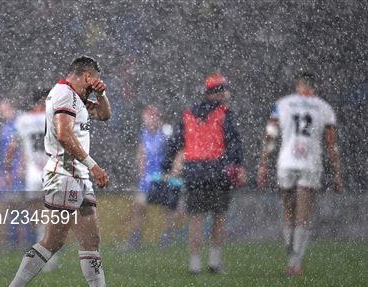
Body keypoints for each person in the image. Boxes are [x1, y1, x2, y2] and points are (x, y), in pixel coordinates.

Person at [0, 56, 134, 287]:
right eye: (93, 78)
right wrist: (93, 165)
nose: (95, 82)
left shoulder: (78, 97)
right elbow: (63, 133)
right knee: (52, 241)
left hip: (78, 177)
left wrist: (101, 95)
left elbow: (105, 115)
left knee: (91, 239)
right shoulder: (62, 94)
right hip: (64, 175)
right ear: (84, 75)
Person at [257, 71, 342, 276]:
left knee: (288, 212)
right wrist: (337, 173)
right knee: (304, 215)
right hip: (310, 164)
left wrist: (263, 163)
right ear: (314, 87)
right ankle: (295, 264)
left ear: (298, 86)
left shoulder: (283, 104)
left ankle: (291, 261)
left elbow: (270, 135)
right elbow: (332, 146)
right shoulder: (324, 108)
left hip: (286, 163)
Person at [164, 73, 245, 274]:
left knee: (196, 219)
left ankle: (194, 265)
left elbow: (175, 142)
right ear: (217, 93)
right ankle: (214, 263)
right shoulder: (225, 113)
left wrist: (167, 166)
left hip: (193, 172)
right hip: (217, 171)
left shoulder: (188, 114)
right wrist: (237, 164)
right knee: (219, 217)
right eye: (224, 89)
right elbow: (234, 143)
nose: (227, 93)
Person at [126, 104, 184, 248]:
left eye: (153, 117)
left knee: (168, 209)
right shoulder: (144, 135)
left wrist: (173, 171)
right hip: (148, 178)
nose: (150, 120)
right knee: (139, 207)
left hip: (164, 177)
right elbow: (141, 153)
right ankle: (135, 239)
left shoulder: (166, 134)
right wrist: (142, 170)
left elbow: (177, 151)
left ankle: (166, 238)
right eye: (147, 117)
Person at [15, 89, 60, 270]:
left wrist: (19, 165)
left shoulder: (23, 120)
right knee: (50, 213)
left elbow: (16, 144)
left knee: (37, 213)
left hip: (33, 172)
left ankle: (40, 247)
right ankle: (47, 251)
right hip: (51, 170)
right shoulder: (54, 118)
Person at [0, 98, 25, 248]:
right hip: (9, 172)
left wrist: (9, 171)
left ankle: (20, 243)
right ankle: (13, 243)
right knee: (10, 207)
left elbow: (14, 148)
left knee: (17, 207)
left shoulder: (18, 124)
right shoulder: (7, 126)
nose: (1, 112)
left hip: (14, 173)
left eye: (3, 109)